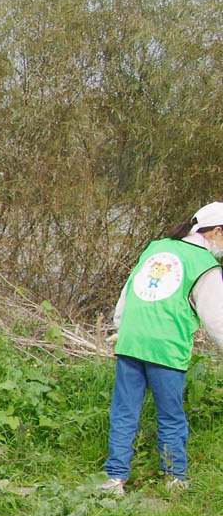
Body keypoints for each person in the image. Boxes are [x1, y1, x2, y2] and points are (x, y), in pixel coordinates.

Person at [101, 203, 223, 493]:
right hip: (166, 345)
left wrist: (120, 327)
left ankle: (114, 479)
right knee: (170, 415)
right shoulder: (204, 264)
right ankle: (175, 479)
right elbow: (217, 318)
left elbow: (129, 289)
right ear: (217, 232)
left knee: (124, 411)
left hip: (131, 339)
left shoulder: (158, 247)